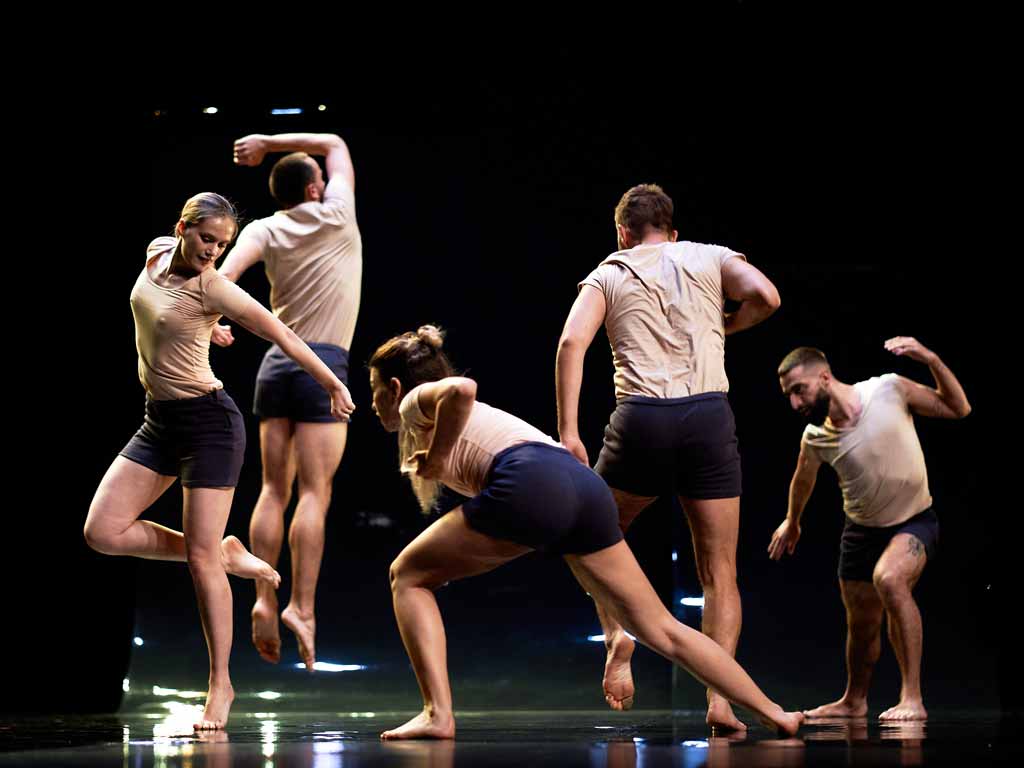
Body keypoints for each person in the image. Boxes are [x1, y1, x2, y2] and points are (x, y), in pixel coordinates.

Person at [369, 326, 802, 740]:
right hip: (582, 486)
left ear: (393, 386)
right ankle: (774, 713)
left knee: (406, 576)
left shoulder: (413, 404)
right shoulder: (475, 421)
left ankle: (437, 713)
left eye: (372, 391)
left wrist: (437, 455)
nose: (371, 403)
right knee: (662, 628)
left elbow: (462, 389)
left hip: (532, 481)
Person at [84, 193, 354, 729]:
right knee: (103, 532)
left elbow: (278, 331)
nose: (214, 251)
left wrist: (328, 381)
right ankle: (226, 553)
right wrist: (213, 328)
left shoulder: (214, 286)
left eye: (223, 244)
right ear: (181, 229)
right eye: (208, 239)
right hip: (159, 423)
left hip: (209, 426)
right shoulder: (156, 253)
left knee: (200, 564)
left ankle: (221, 686)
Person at [555, 183, 780, 728]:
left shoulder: (611, 270)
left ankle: (616, 636)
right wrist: (730, 325)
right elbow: (768, 297)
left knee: (589, 534)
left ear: (623, 233)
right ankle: (720, 700)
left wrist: (568, 431)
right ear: (672, 231)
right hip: (708, 416)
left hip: (643, 420)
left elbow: (570, 345)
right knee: (719, 572)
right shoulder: (708, 255)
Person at [216, 132, 361, 670]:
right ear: (315, 186)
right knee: (315, 493)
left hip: (275, 365)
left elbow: (222, 277)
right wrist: (269, 143)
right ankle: (302, 606)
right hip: (323, 364)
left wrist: (215, 321)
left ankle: (262, 598)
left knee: (274, 488)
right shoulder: (338, 213)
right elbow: (334, 142)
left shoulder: (264, 228)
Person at [770, 338, 970, 721]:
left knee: (890, 580)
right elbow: (803, 479)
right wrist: (793, 521)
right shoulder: (815, 437)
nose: (795, 404)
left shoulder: (888, 390)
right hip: (861, 530)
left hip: (914, 520)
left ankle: (912, 697)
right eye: (789, 396)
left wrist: (930, 358)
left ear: (825, 378)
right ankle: (854, 701)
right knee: (861, 623)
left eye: (800, 390)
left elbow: (958, 407)